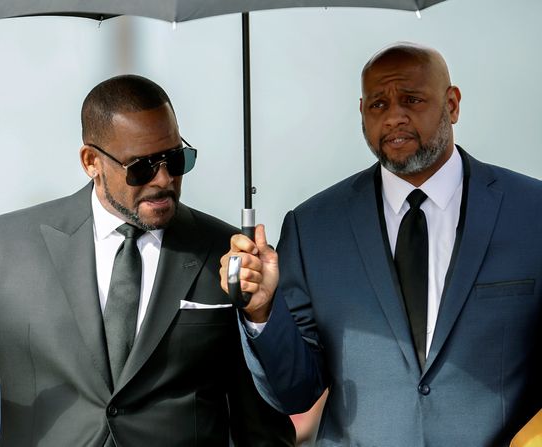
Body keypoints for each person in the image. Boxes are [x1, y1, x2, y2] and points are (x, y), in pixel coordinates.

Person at [0, 74, 294, 446]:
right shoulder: (8, 246)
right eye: (142, 168)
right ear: (91, 162)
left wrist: (262, 312)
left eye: (175, 159)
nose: (164, 179)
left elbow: (261, 424)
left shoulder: (226, 250)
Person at [220, 42, 542, 446]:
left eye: (411, 99)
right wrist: (263, 310)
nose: (394, 117)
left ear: (453, 104)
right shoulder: (313, 227)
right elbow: (294, 392)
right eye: (378, 105)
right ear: (361, 112)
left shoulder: (532, 213)